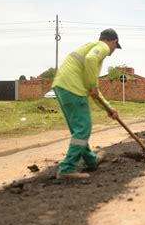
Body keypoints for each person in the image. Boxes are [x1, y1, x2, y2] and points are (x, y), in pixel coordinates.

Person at [52, 28, 122, 179]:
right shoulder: (102, 47)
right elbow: (91, 63)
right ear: (114, 42)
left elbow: (93, 91)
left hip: (62, 86)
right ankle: (67, 168)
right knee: (83, 128)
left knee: (78, 130)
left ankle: (91, 160)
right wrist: (93, 86)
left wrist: (109, 109)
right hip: (72, 88)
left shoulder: (89, 48)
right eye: (116, 47)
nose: (114, 50)